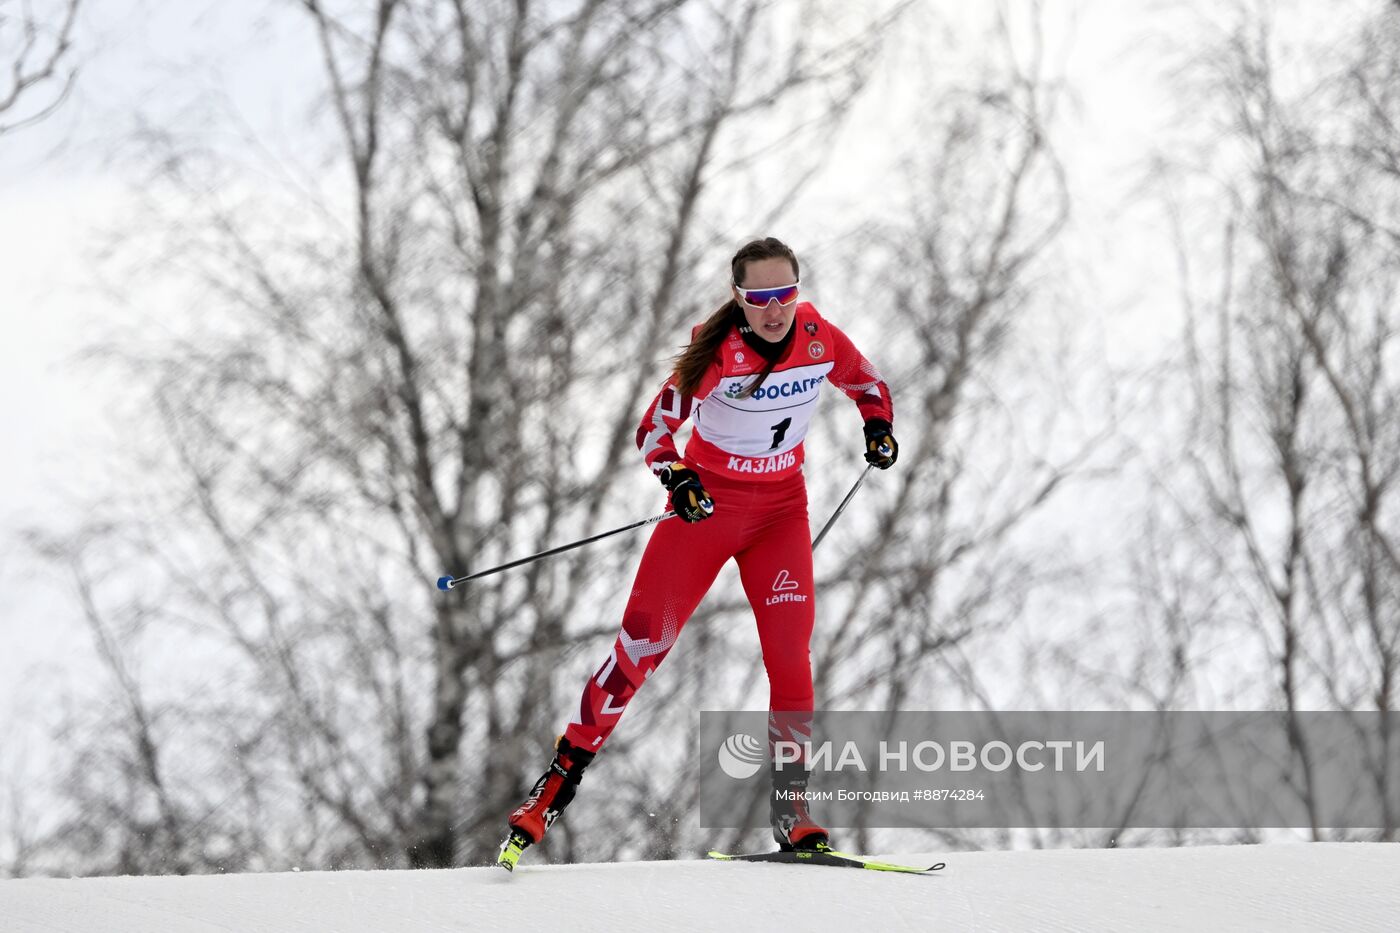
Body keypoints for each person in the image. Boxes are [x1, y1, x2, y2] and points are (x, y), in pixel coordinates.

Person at [498, 236, 897, 870]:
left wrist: (878, 425)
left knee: (792, 660)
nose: (775, 309)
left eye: (785, 293)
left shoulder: (820, 338)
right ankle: (554, 786)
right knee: (641, 646)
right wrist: (678, 477)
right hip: (707, 513)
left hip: (779, 516)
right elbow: (653, 428)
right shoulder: (720, 355)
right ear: (739, 299)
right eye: (760, 297)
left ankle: (792, 814)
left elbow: (868, 383)